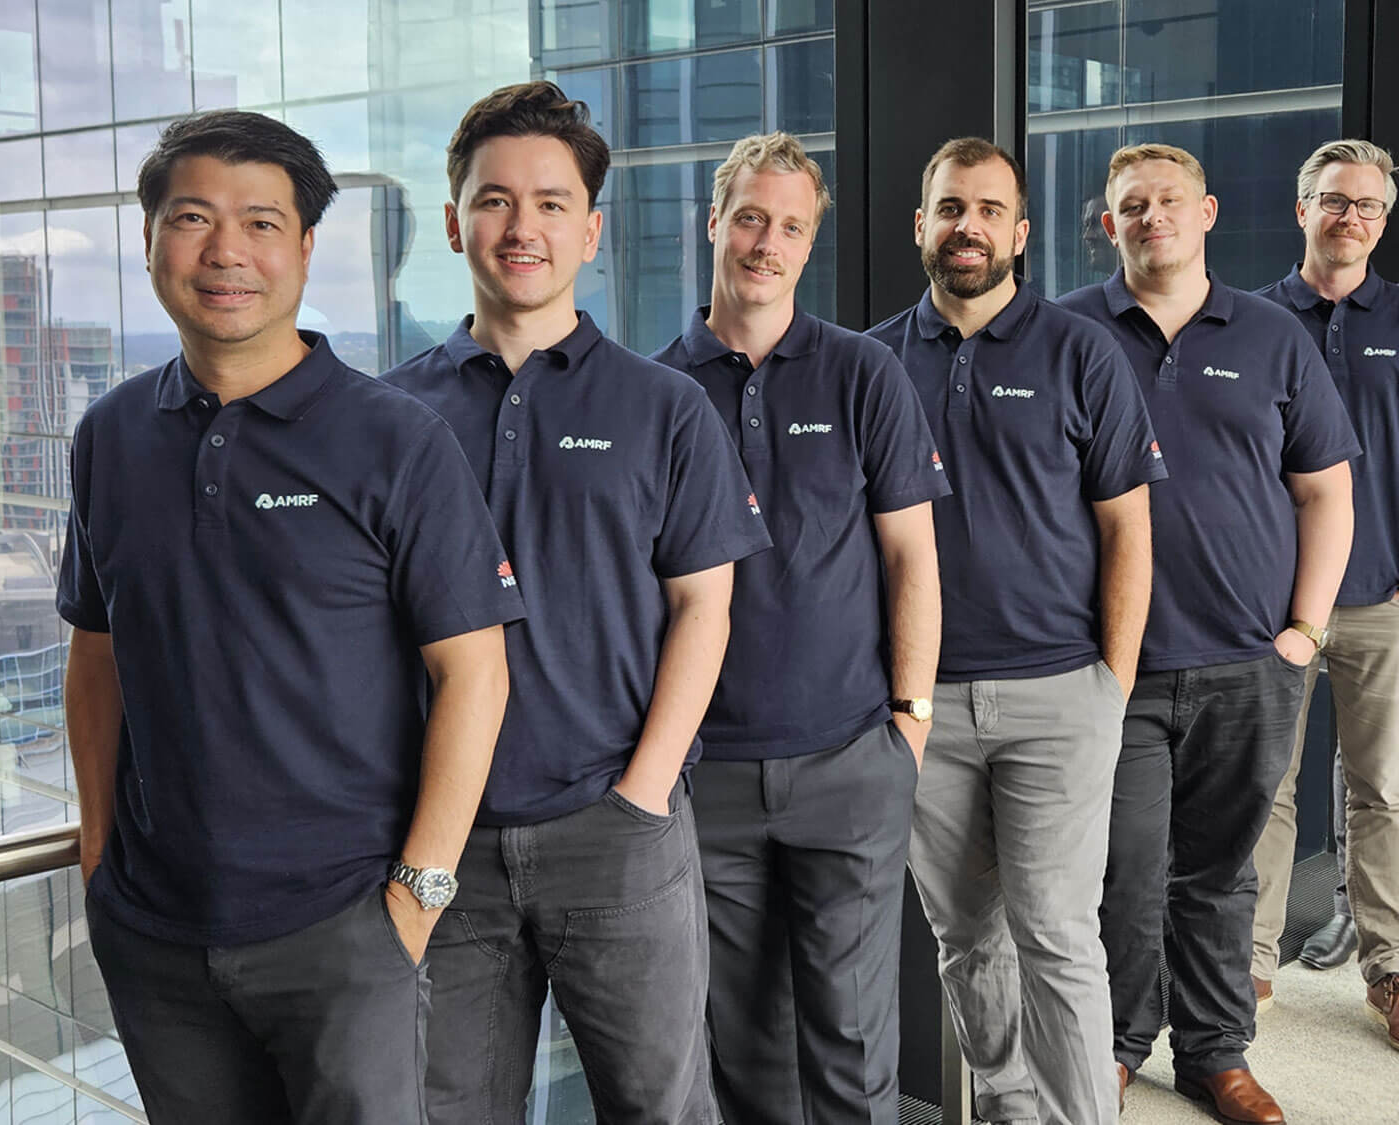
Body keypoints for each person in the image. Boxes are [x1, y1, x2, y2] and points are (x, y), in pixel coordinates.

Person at [60, 110, 520, 1124]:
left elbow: (474, 675)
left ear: (305, 248)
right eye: (192, 218)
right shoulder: (109, 437)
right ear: (149, 240)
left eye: (261, 223)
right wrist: (99, 856)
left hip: (344, 931)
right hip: (156, 933)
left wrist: (413, 903)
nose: (226, 251)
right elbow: (97, 655)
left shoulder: (397, 440)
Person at [383, 82, 772, 1123]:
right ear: (457, 216)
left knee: (660, 1109)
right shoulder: (389, 415)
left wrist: (642, 796)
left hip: (616, 832)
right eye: (495, 199)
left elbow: (705, 608)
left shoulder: (664, 408)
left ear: (591, 230)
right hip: (440, 845)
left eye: (551, 203)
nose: (523, 227)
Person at [649, 131, 947, 1125]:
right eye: (749, 218)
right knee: (737, 1039)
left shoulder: (864, 374)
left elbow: (910, 559)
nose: (764, 243)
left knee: (853, 1035)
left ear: (808, 244)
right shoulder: (652, 391)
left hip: (849, 758)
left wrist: (906, 721)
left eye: (788, 227)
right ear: (713, 223)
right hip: (706, 774)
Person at [868, 136, 1164, 1125]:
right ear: (921, 225)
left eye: (989, 210)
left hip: (1056, 698)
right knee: (964, 938)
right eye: (950, 207)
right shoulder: (871, 364)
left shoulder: (1082, 352)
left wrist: (1110, 689)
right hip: (923, 708)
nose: (968, 227)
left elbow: (1128, 531)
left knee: (1055, 935)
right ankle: (1003, 1109)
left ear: (1020, 233)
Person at [1059, 143, 1354, 1122]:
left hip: (1248, 661)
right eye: (1131, 205)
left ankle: (1214, 1055)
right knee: (1125, 874)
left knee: (1221, 874)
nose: (1151, 218)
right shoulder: (1063, 335)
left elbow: (1324, 491)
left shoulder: (1272, 337)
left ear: (1208, 212)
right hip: (1118, 668)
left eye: (1168, 201)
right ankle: (1113, 1046)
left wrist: (1304, 632)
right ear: (1108, 225)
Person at [1249, 138, 1399, 1056]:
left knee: (1382, 790)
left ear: (1386, 223)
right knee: (1263, 789)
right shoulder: (1253, 320)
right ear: (1303, 208)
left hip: (1386, 598)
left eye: (1368, 207)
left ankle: (1390, 968)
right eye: (1335, 201)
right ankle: (1251, 962)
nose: (1352, 218)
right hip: (1271, 607)